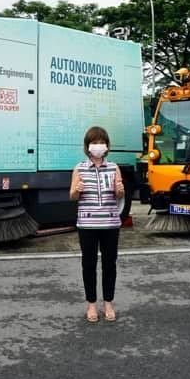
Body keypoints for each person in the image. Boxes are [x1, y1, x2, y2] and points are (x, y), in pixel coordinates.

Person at [69, 126, 125, 323]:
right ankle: (91, 304)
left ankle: (108, 303)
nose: (98, 146)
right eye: (94, 142)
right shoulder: (79, 168)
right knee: (89, 264)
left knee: (110, 264)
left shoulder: (114, 168)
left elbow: (119, 195)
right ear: (87, 146)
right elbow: (72, 196)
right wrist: (77, 189)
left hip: (110, 224)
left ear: (107, 146)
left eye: (102, 142)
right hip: (87, 224)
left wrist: (120, 190)